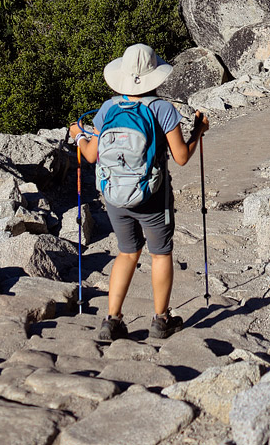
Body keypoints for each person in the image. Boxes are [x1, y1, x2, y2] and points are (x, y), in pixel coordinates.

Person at [69, 42, 209, 342]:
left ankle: (112, 320)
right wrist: (198, 131)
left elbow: (91, 155)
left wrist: (78, 136)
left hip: (114, 196)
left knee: (126, 252)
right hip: (153, 197)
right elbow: (182, 157)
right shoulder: (162, 109)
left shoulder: (108, 108)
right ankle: (161, 320)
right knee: (160, 254)